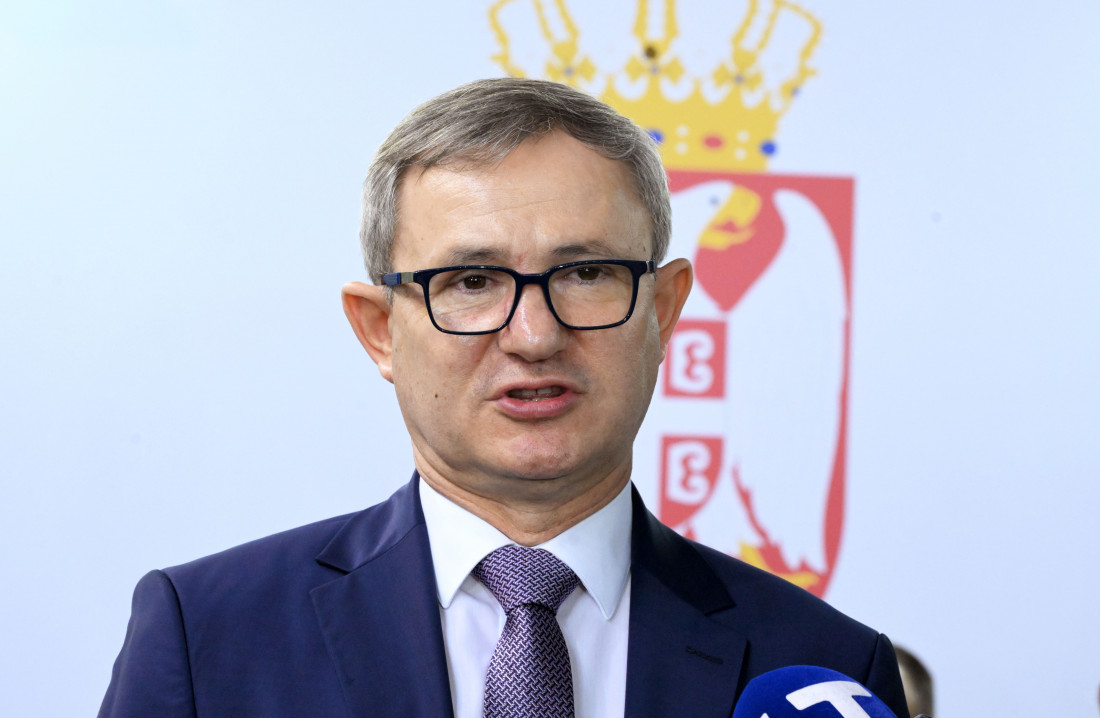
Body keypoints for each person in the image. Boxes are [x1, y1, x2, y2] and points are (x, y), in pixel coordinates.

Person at [99, 77, 907, 718]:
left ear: (663, 311)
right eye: (472, 281)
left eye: (586, 273)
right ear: (379, 330)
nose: (534, 335)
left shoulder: (821, 667)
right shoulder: (209, 638)